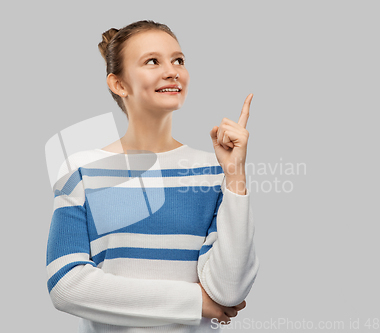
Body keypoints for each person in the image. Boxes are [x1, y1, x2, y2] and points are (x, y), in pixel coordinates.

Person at [45, 20, 259, 332]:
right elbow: (65, 284)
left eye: (179, 60)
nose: (173, 71)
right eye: (152, 61)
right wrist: (194, 301)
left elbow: (229, 291)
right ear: (119, 84)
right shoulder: (82, 170)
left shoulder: (213, 172)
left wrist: (235, 174)